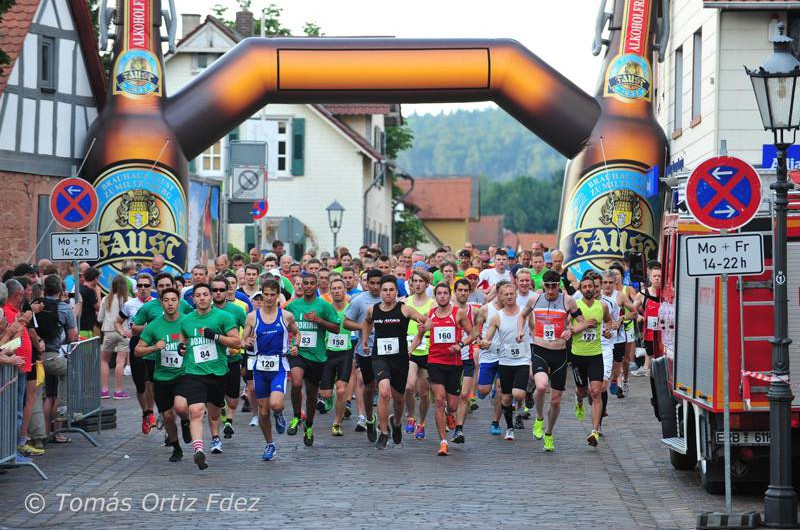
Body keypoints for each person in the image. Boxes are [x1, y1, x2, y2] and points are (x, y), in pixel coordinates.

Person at [174, 283, 241, 470]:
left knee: (213, 414)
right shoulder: (186, 321)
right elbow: (183, 343)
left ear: (211, 297)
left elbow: (237, 342)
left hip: (218, 373)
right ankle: (198, 450)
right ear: (193, 299)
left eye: (205, 294)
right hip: (194, 372)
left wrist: (217, 337)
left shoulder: (224, 317)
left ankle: (215, 436)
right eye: (198, 295)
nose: (202, 298)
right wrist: (181, 349)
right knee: (195, 410)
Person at [518, 270, 582, 451]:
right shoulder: (535, 299)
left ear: (559, 286)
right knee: (540, 387)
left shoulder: (567, 301)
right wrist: (520, 330)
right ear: (543, 286)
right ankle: (539, 417)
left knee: (555, 400)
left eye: (554, 286)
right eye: (548, 286)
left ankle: (549, 432)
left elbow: (582, 322)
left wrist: (572, 331)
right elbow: (522, 316)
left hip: (560, 354)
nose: (551, 290)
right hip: (539, 350)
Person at [362, 275, 428, 449]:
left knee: (399, 399)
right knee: (384, 392)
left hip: (399, 359)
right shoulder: (373, 310)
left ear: (396, 292)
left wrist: (416, 342)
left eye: (391, 290)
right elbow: (367, 323)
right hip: (380, 357)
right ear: (380, 293)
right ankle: (383, 433)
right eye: (385, 290)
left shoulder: (404, 309)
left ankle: (397, 423)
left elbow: (426, 321)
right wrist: (364, 340)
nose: (388, 293)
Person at [242, 279, 300, 460]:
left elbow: (297, 333)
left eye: (272, 294)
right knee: (263, 412)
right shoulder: (252, 317)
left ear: (278, 296)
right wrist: (247, 342)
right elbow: (243, 339)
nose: (268, 298)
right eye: (265, 294)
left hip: (279, 366)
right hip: (259, 367)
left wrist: (295, 345)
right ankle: (270, 444)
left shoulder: (286, 316)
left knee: (276, 405)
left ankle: (280, 414)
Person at [416, 282, 473, 455]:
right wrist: (410, 350)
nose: (442, 296)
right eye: (439, 293)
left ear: (450, 296)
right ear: (435, 296)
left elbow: (473, 334)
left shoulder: (459, 314)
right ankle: (443, 441)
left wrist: (460, 344)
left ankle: (450, 414)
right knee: (439, 400)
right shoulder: (430, 315)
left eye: (445, 293)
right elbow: (419, 335)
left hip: (454, 364)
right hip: (434, 362)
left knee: (453, 405)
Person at [283, 273, 340, 446]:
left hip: (317, 356)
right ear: (299, 285)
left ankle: (309, 426)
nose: (307, 286)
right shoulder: (292, 306)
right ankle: (295, 417)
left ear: (317, 285)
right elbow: (280, 321)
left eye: (311, 283)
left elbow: (337, 328)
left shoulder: (324, 305)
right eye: (304, 283)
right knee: (297, 382)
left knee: (311, 394)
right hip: (298, 352)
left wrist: (318, 320)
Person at [135, 287, 189, 463]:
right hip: (162, 377)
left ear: (178, 302)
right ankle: (176, 447)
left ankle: (186, 421)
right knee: (167, 416)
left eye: (174, 300)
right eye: (166, 300)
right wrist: (153, 347)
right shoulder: (154, 326)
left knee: (181, 408)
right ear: (161, 302)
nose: (170, 303)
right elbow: (137, 351)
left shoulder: (187, 322)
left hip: (184, 374)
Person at [480, 283, 528, 440]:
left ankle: (526, 395)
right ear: (500, 296)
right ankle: (509, 427)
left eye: (511, 293)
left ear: (516, 294)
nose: (509, 296)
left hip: (523, 359)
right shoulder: (497, 317)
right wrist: (485, 343)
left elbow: (534, 330)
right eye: (505, 294)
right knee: (506, 398)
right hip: (505, 361)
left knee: (518, 394)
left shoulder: (525, 313)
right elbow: (488, 338)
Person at [570, 274, 612, 446]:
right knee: (582, 391)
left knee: (596, 391)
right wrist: (582, 326)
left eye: (590, 286)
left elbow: (609, 322)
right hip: (578, 355)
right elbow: (568, 326)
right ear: (580, 289)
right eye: (584, 286)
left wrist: (608, 331)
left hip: (595, 355)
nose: (588, 289)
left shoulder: (602, 306)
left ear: (595, 288)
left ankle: (594, 431)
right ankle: (579, 400)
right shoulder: (575, 306)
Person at [343, 269, 383, 440]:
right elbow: (346, 322)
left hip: (385, 351)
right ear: (366, 283)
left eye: (378, 283)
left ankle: (383, 424)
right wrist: (363, 327)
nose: (374, 286)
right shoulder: (359, 301)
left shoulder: (389, 299)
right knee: (369, 387)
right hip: (364, 350)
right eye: (371, 283)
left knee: (385, 388)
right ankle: (369, 417)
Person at [39, 274, 78, 444]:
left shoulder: (35, 304)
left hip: (37, 358)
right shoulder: (64, 307)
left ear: (44, 289)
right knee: (66, 381)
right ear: (61, 290)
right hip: (54, 356)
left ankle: (45, 433)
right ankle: (58, 431)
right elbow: (73, 335)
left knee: (48, 395)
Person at [116, 272, 156, 434]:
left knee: (150, 383)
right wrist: (123, 332)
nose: (143, 289)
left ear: (151, 287)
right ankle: (145, 413)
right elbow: (118, 322)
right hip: (136, 344)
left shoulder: (156, 304)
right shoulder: (129, 304)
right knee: (140, 385)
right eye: (140, 286)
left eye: (146, 286)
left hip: (153, 346)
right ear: (136, 288)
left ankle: (151, 412)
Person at [209, 276, 247, 439]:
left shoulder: (237, 310)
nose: (218, 293)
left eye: (221, 290)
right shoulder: (204, 310)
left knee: (232, 398)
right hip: (211, 362)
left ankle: (229, 419)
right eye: (215, 290)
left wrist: (241, 345)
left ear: (228, 291)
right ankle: (225, 421)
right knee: (215, 396)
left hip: (233, 359)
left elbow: (247, 330)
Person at [403, 269, 434, 439]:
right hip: (410, 349)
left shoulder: (433, 303)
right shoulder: (405, 302)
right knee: (408, 386)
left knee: (424, 393)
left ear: (427, 283)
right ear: (411, 283)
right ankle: (410, 416)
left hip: (428, 349)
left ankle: (421, 422)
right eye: (415, 281)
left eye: (421, 281)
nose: (417, 284)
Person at [319, 278, 352, 436]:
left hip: (345, 353)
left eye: (340, 288)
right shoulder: (325, 309)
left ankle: (337, 422)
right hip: (328, 353)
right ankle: (330, 400)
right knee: (326, 394)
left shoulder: (351, 309)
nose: (337, 291)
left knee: (341, 390)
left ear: (345, 290)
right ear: (330, 291)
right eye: (334, 288)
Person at [451, 278, 478, 444]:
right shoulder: (445, 309)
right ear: (455, 292)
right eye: (460, 290)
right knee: (450, 401)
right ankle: (450, 415)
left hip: (466, 357)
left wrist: (481, 341)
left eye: (466, 290)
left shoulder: (473, 311)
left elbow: (475, 332)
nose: (463, 293)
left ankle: (459, 429)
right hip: (448, 359)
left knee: (464, 395)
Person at [98, 275, 130, 399]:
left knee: (104, 360)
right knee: (120, 362)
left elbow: (100, 318)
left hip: (109, 332)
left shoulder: (106, 299)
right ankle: (118, 391)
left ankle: (105, 391)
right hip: (123, 332)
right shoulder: (128, 300)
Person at [634, 262, 662, 377]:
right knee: (649, 352)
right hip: (649, 330)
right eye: (654, 276)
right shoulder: (642, 294)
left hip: (664, 331)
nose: (657, 278)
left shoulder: (668, 293)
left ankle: (660, 372)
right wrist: (639, 316)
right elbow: (631, 309)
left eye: (659, 276)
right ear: (650, 278)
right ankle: (646, 369)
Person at [78, 267, 100, 338]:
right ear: (95, 278)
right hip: (86, 329)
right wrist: (98, 292)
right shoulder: (89, 291)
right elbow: (98, 307)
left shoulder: (80, 287)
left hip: (80, 326)